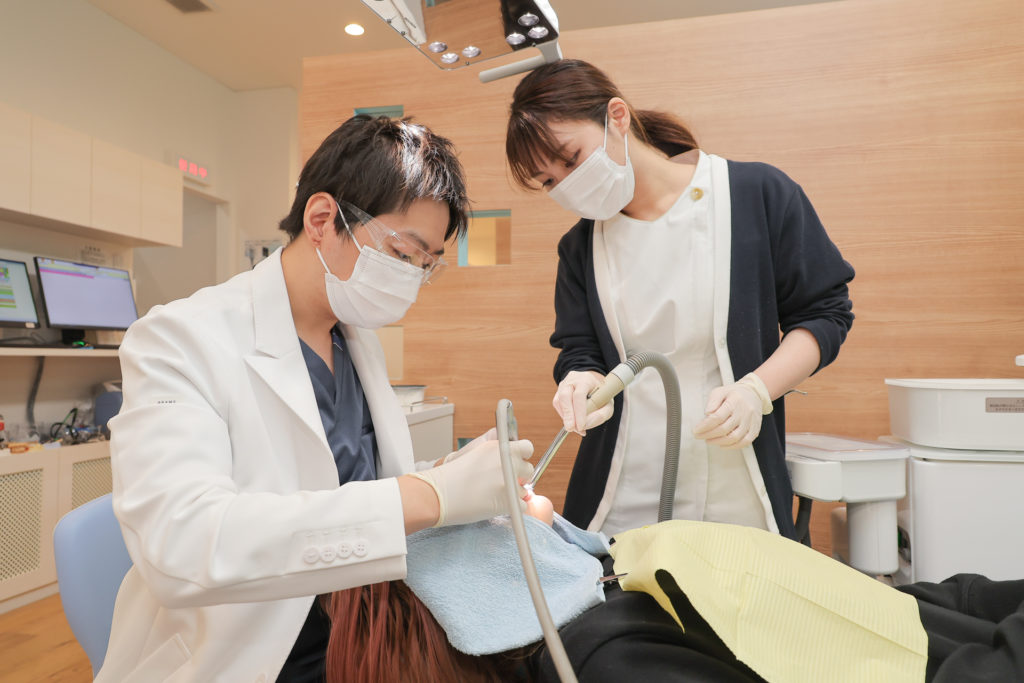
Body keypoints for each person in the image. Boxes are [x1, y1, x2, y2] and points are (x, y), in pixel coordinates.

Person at [98, 115, 534, 682]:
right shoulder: (179, 338)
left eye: (426, 267)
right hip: (248, 652)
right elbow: (182, 545)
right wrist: (429, 496)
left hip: (365, 627)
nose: (410, 280)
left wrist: (453, 475)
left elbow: (355, 480)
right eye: (403, 254)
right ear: (323, 219)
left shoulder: (354, 338)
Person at [505, 59, 855, 538]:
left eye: (571, 159)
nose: (566, 184)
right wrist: (581, 378)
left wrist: (757, 390)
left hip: (738, 482)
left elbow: (824, 314)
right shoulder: (580, 247)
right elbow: (580, 348)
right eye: (548, 182)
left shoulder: (756, 195)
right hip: (621, 493)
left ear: (617, 117)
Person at [323, 513, 1024, 683]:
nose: (526, 498)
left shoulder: (628, 570)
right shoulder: (607, 656)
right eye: (498, 515)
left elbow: (863, 604)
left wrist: (986, 603)